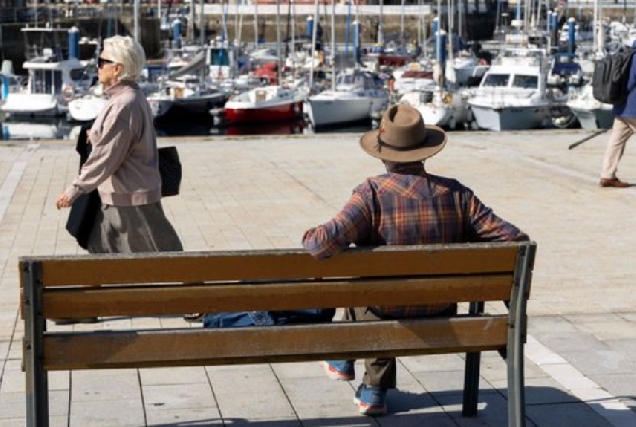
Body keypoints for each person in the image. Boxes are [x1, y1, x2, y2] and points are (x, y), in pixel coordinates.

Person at [301, 104, 529, 416]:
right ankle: (365, 381)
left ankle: (359, 373)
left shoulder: (371, 193)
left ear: (383, 153)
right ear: (425, 151)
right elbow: (515, 240)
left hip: (383, 309)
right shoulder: (458, 194)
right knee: (381, 288)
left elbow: (318, 245)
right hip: (441, 308)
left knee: (370, 289)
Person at [55, 36, 183, 322]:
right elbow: (116, 141)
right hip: (119, 193)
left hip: (130, 197)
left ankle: (197, 300)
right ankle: (87, 308)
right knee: (100, 248)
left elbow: (107, 157)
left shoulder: (123, 104)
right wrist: (95, 135)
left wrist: (74, 189)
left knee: (165, 252)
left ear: (118, 68)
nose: (97, 66)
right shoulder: (128, 98)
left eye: (102, 62)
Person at [599, 42, 636, 188]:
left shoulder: (627, 55)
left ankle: (607, 175)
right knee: (616, 142)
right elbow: (632, 81)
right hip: (634, 107)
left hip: (622, 107)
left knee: (616, 142)